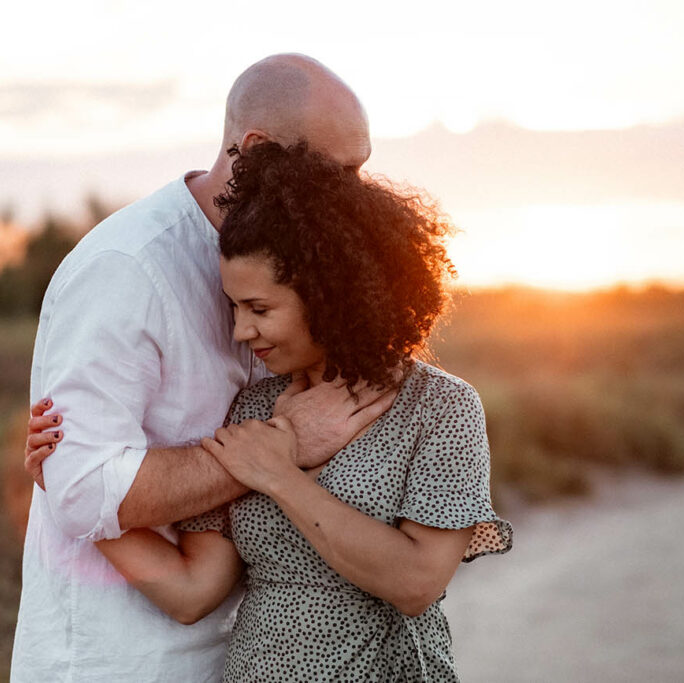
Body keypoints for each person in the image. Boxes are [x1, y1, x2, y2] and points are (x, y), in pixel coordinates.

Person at [28, 142, 513, 681]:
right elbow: (192, 592)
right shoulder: (254, 406)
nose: (240, 331)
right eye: (234, 307)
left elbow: (416, 584)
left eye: (259, 309)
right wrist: (74, 485)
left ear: (334, 297)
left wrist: (282, 476)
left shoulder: (441, 408)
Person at [10, 55, 397, 682]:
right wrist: (285, 443)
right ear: (259, 150)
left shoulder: (322, 274)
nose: (356, 194)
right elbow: (84, 487)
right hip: (123, 663)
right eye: (340, 172)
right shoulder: (126, 270)